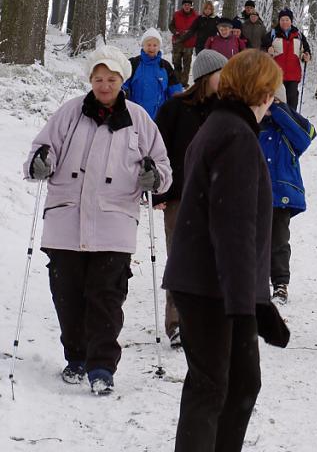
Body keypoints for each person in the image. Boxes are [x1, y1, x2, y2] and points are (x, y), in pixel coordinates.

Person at [23, 45, 172, 394]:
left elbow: (163, 166)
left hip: (114, 223)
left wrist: (155, 177)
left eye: (112, 79)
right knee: (68, 295)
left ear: (123, 80)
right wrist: (41, 162)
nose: (105, 85)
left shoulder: (139, 119)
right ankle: (75, 358)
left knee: (106, 297)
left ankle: (102, 366)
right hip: (65, 222)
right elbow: (40, 151)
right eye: (99, 79)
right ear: (90, 80)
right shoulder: (69, 114)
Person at [162, 49, 289, 452]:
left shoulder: (224, 125)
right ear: (263, 92)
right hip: (210, 288)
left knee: (237, 382)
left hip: (210, 284)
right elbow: (232, 227)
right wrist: (247, 305)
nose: (276, 97)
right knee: (213, 386)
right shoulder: (234, 136)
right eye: (274, 89)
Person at [153, 49, 228, 348]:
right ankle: (178, 323)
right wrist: (161, 192)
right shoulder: (174, 109)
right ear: (206, 77)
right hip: (181, 196)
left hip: (219, 198)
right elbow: (158, 152)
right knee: (181, 260)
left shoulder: (228, 110)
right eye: (223, 74)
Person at [258, 84, 317, 304]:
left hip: (282, 194)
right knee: (256, 240)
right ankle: (257, 282)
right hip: (256, 193)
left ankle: (281, 283)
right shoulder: (253, 126)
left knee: (279, 241)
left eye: (272, 101)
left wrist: (281, 111)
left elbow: (307, 135)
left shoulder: (289, 130)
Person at [122, 28, 183, 120]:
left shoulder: (165, 66)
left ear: (159, 47)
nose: (151, 48)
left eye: (155, 45)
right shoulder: (134, 63)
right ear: (143, 45)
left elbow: (174, 89)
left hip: (159, 117)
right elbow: (122, 84)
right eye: (148, 45)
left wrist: (178, 106)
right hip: (135, 115)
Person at [262, 8, 311, 111]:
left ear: (291, 21)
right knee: (279, 102)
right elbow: (262, 49)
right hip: (277, 75)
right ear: (279, 21)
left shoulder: (298, 35)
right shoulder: (272, 34)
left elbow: (305, 50)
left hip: (293, 75)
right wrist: (267, 50)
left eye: (287, 19)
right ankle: (279, 124)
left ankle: (292, 122)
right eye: (282, 19)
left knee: (292, 101)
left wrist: (306, 55)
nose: (284, 22)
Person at [169, 0, 199, 87]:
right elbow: (171, 26)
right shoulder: (176, 14)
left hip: (189, 43)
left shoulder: (196, 16)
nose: (187, 6)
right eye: (185, 5)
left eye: (188, 5)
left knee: (187, 64)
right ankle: (177, 82)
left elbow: (197, 29)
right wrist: (175, 32)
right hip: (177, 42)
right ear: (183, 6)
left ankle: (184, 83)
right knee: (176, 63)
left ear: (191, 6)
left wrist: (192, 35)